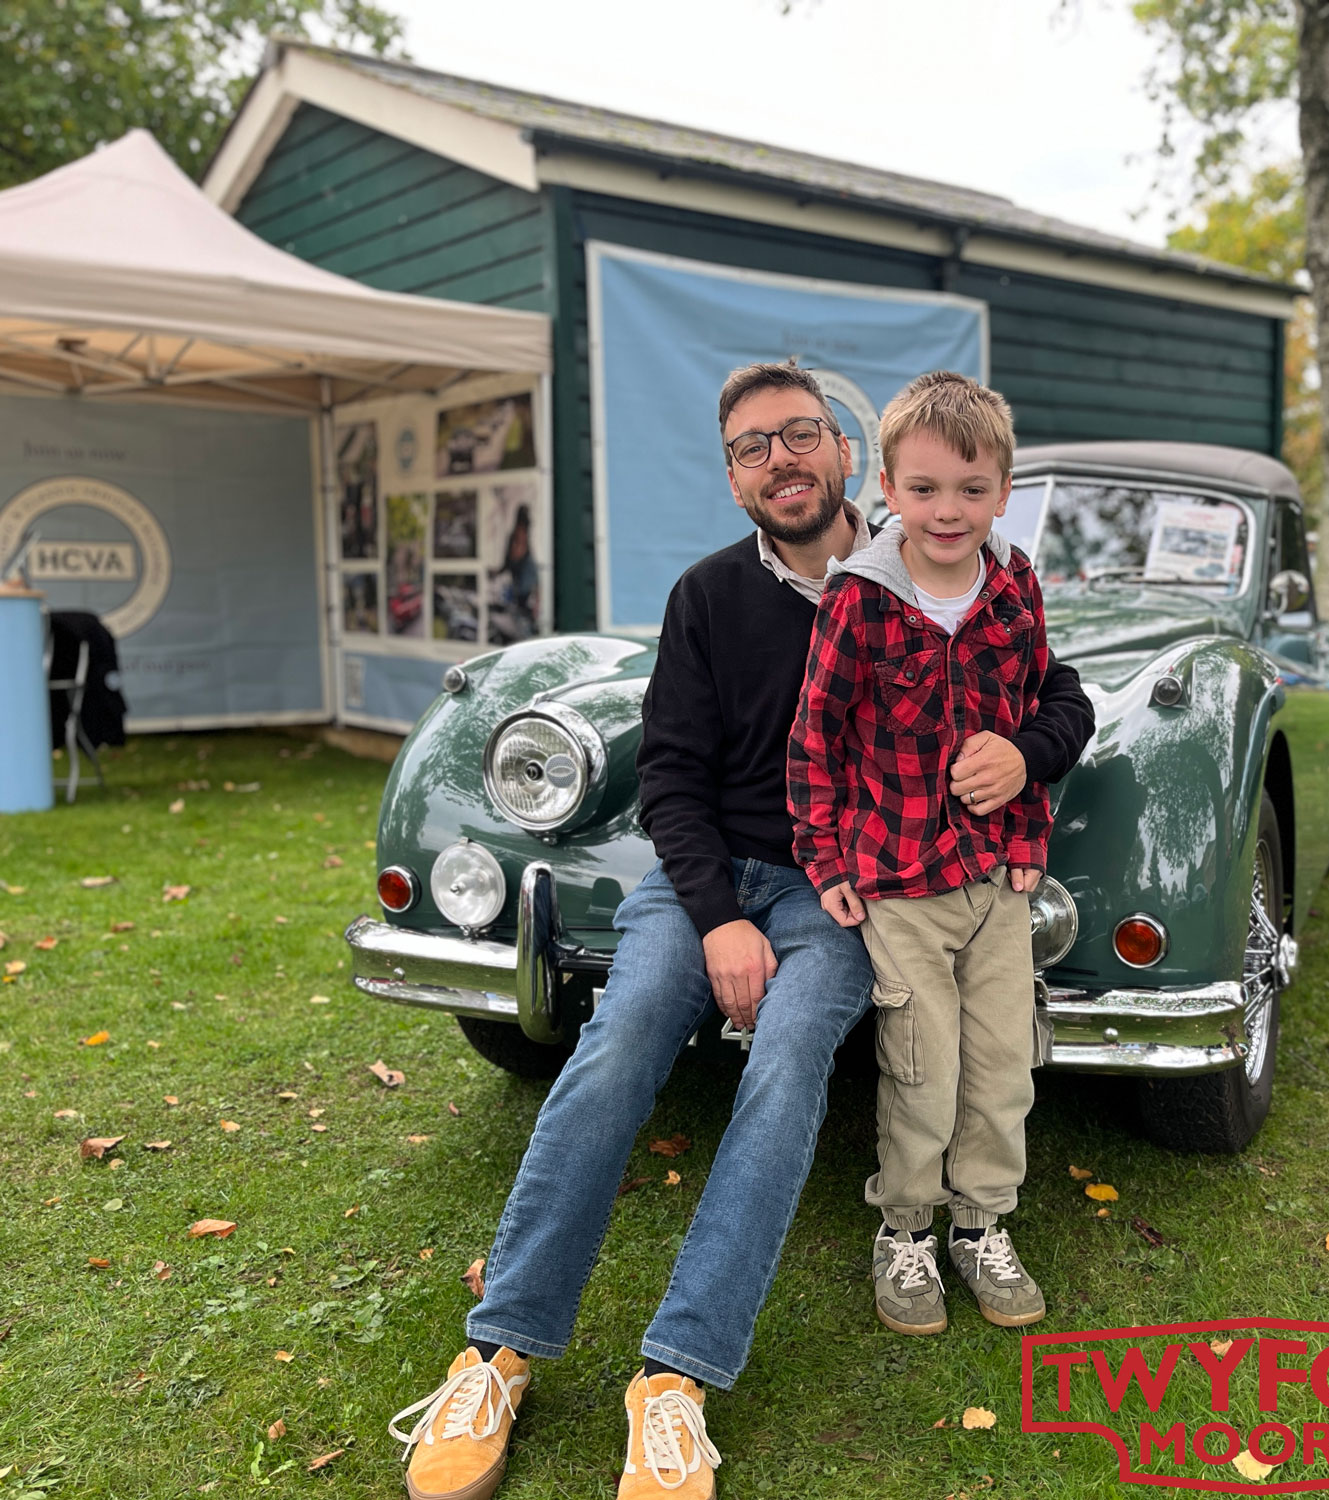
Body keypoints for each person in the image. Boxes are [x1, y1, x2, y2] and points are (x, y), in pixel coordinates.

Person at [386, 361, 1095, 1500]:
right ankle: (498, 1350)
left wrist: (1028, 754)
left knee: (787, 1063)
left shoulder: (931, 565)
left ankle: (675, 1380)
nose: (782, 460)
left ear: (845, 454)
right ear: (733, 479)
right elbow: (670, 775)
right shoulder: (709, 596)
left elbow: (1052, 696)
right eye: (754, 447)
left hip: (843, 889)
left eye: (800, 435)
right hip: (707, 882)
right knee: (615, 1046)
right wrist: (715, 915)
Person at [789, 372, 1050, 1341]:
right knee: (921, 1068)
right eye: (927, 489)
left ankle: (983, 1223)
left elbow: (1031, 716)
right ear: (889, 491)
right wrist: (826, 861)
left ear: (1002, 491)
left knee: (1001, 1069)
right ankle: (905, 1229)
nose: (950, 511)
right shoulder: (858, 599)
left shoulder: (1015, 585)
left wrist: (1026, 831)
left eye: (972, 490)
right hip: (898, 883)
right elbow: (815, 737)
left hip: (998, 883)